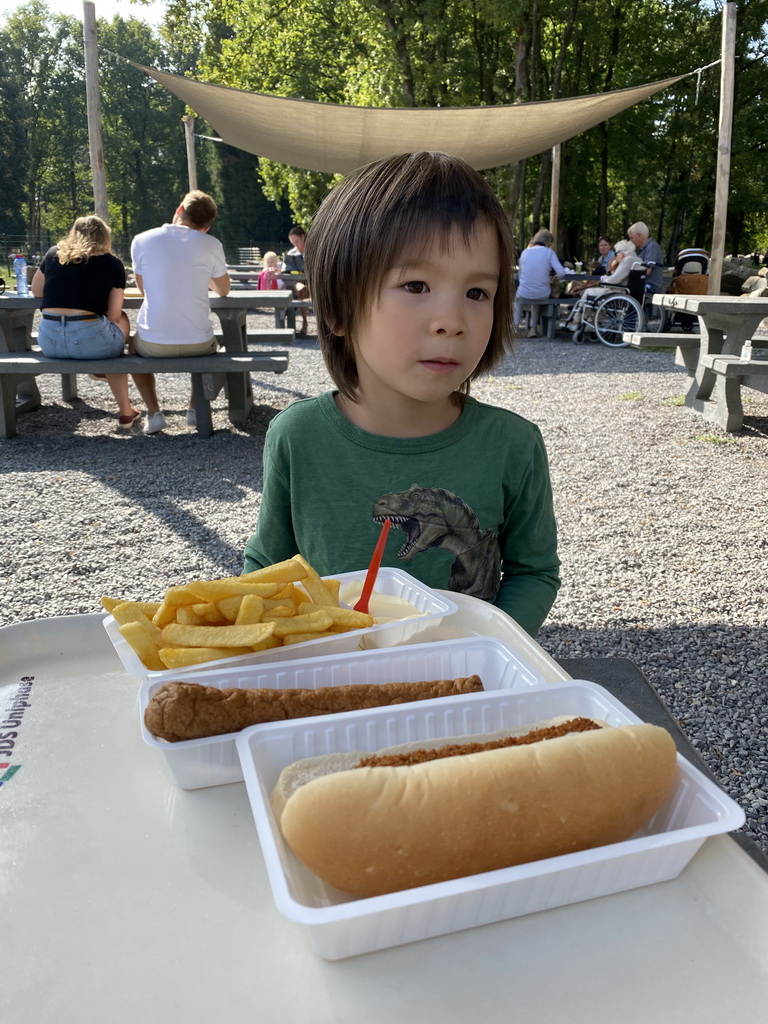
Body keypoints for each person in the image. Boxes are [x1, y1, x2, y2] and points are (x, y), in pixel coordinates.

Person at [243, 151, 560, 638]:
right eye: (416, 285)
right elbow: (266, 564)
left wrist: (481, 647)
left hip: (460, 685)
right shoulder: (296, 437)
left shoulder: (512, 445)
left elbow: (533, 573)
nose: (451, 321)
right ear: (338, 311)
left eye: (477, 293)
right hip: (333, 679)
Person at [129, 190, 230, 434]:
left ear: (179, 210)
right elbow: (223, 290)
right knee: (219, 344)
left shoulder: (142, 240)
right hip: (199, 343)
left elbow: (144, 289)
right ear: (206, 226)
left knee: (131, 348)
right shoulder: (211, 244)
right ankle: (195, 409)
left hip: (153, 343)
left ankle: (154, 414)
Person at [30, 215, 141, 430]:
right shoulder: (112, 264)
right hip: (91, 342)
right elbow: (114, 314)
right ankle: (126, 412)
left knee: (107, 331)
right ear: (105, 236)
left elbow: (36, 291)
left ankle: (104, 367)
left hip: (50, 343)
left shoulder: (54, 254)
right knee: (122, 323)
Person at [567, 239, 639, 330]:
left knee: (587, 292)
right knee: (588, 293)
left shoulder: (627, 260)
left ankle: (576, 321)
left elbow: (614, 279)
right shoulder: (637, 259)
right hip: (626, 291)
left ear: (622, 253)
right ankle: (593, 322)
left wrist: (604, 278)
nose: (616, 257)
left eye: (617, 254)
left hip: (616, 291)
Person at [513, 228, 566, 338]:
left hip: (524, 291)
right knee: (536, 299)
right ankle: (533, 329)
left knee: (518, 300)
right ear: (547, 242)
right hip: (542, 293)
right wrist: (554, 277)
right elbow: (561, 273)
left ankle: (515, 327)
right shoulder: (549, 253)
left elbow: (520, 274)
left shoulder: (525, 253)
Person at [283, 225, 310, 336]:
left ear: (303, 237)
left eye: (297, 241)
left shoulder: (314, 249)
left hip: (314, 281)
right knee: (301, 289)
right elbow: (287, 271)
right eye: (293, 243)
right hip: (299, 282)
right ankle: (304, 321)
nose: (296, 245)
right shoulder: (292, 254)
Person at [627, 221, 665, 294]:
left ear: (639, 235)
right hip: (642, 284)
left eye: (632, 238)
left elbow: (647, 271)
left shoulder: (652, 247)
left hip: (650, 286)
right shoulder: (639, 250)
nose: (631, 241)